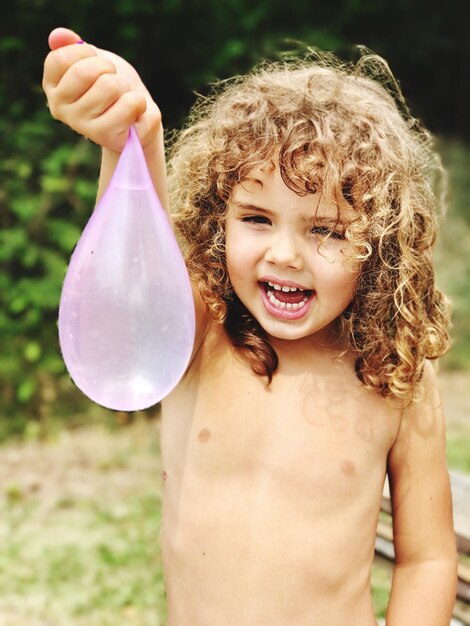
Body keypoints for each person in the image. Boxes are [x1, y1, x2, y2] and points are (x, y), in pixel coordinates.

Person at [42, 27, 458, 626]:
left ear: (380, 245)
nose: (285, 254)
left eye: (326, 230)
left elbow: (427, 559)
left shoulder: (394, 374)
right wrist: (135, 135)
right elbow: (130, 285)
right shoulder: (202, 330)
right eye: (257, 218)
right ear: (219, 219)